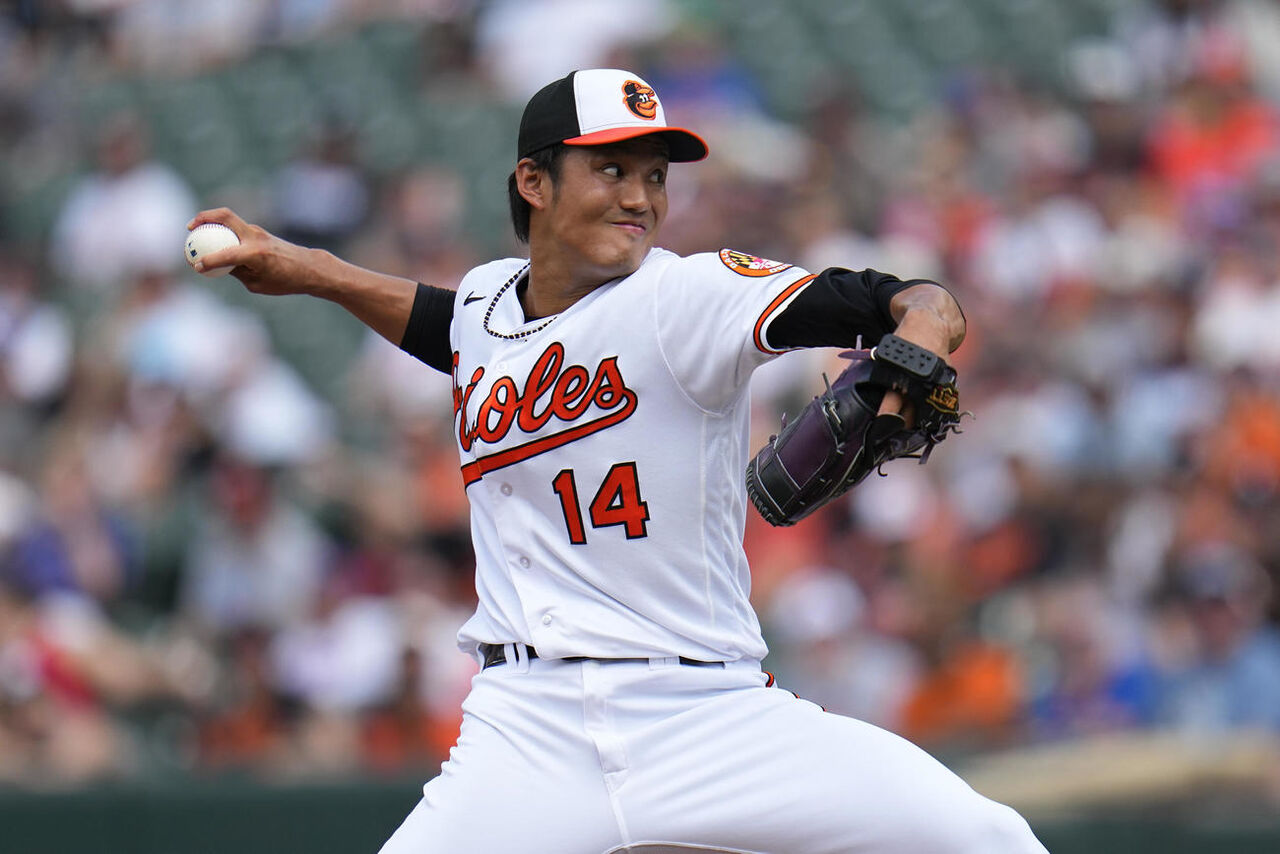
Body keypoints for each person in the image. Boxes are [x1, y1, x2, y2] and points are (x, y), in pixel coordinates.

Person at [189, 68, 1047, 853]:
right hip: (525, 733)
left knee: (987, 839)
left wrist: (928, 316)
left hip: (706, 714)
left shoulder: (686, 296)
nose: (639, 197)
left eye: (655, 176)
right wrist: (310, 271)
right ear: (534, 181)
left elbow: (881, 298)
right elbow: (444, 324)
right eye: (611, 169)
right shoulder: (488, 303)